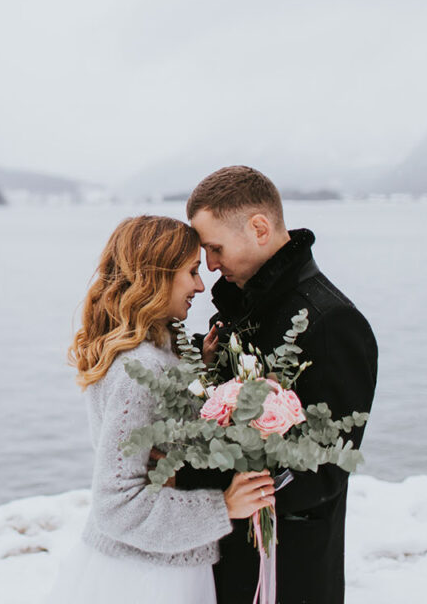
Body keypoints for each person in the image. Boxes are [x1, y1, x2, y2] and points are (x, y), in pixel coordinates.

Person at [46, 215, 276, 604]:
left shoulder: (153, 354)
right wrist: (222, 507)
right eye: (191, 272)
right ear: (156, 276)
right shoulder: (140, 370)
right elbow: (116, 505)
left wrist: (195, 372)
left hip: (154, 563)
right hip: (148, 578)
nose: (201, 286)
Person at [183, 166, 378, 604]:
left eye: (215, 248)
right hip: (229, 551)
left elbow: (326, 465)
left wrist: (207, 483)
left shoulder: (332, 322)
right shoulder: (245, 304)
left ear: (259, 228)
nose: (210, 264)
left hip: (288, 568)